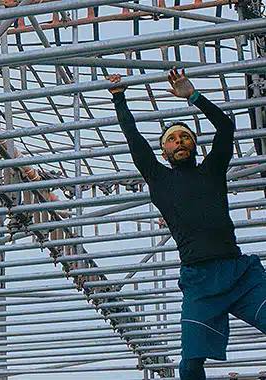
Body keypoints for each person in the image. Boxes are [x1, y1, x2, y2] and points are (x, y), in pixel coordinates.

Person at [109, 70, 266, 379]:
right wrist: (119, 98)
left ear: (194, 145)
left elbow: (225, 127)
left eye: (185, 136)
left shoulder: (212, 170)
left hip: (239, 272)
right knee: (190, 363)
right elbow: (133, 138)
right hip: (199, 282)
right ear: (164, 152)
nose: (179, 140)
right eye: (171, 139)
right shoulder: (158, 178)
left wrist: (193, 96)